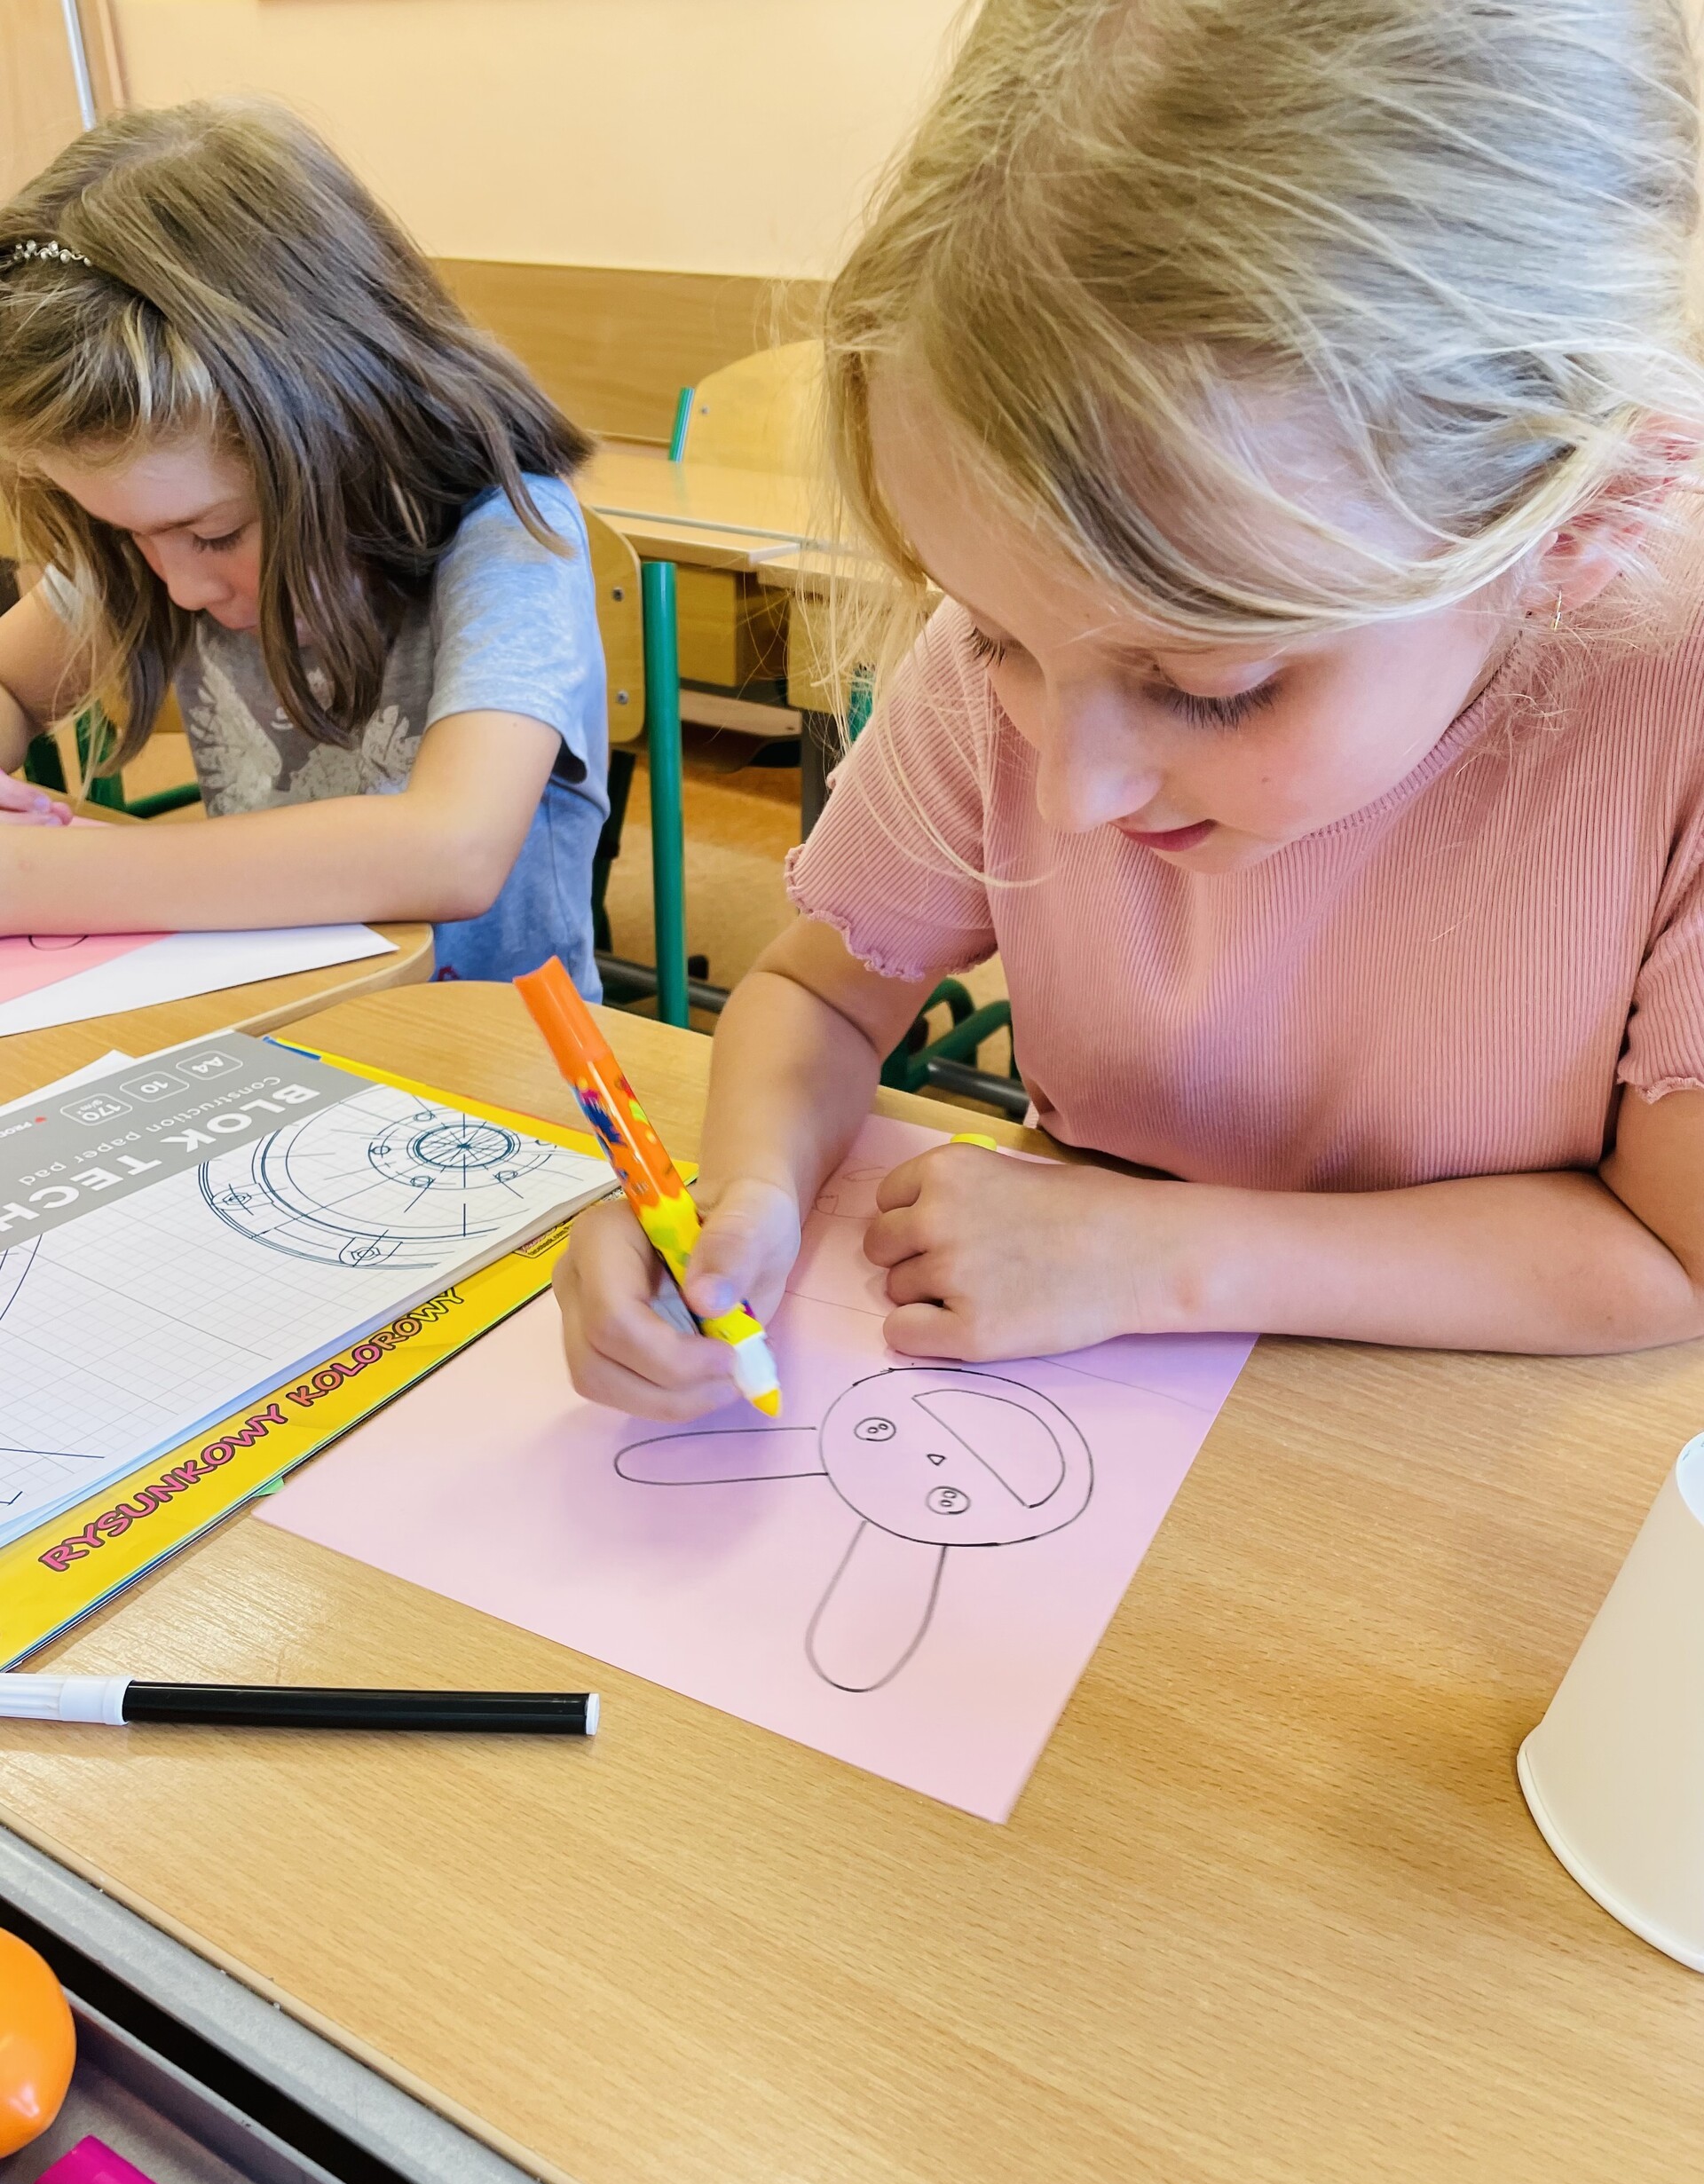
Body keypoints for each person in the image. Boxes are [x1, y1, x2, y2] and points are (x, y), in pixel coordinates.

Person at [559, 0, 1704, 1414]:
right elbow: (818, 997)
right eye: (995, 638)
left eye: (1211, 686)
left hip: (1476, 1446)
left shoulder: (1671, 698)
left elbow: (1674, 1251)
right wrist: (744, 1198)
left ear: (1586, 514)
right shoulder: (1064, 630)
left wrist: (1156, 1256)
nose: (1072, 792)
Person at [0, 99, 606, 990]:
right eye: (127, 534)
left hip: (491, 1054)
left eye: (214, 534)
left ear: (343, 431)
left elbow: (455, 848)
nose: (178, 585)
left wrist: (36, 879)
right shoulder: (163, 537)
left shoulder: (509, 534)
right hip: (278, 1023)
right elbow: (11, 682)